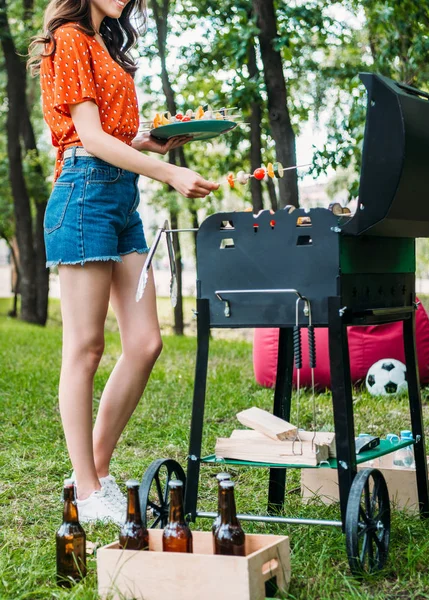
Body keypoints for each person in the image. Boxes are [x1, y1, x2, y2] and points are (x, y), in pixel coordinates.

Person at [28, 0, 219, 525]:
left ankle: (92, 473)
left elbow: (109, 135)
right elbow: (86, 139)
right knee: (86, 348)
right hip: (83, 195)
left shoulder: (105, 44)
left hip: (121, 200)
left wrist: (150, 142)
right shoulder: (68, 38)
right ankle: (88, 489)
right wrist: (168, 171)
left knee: (144, 343)